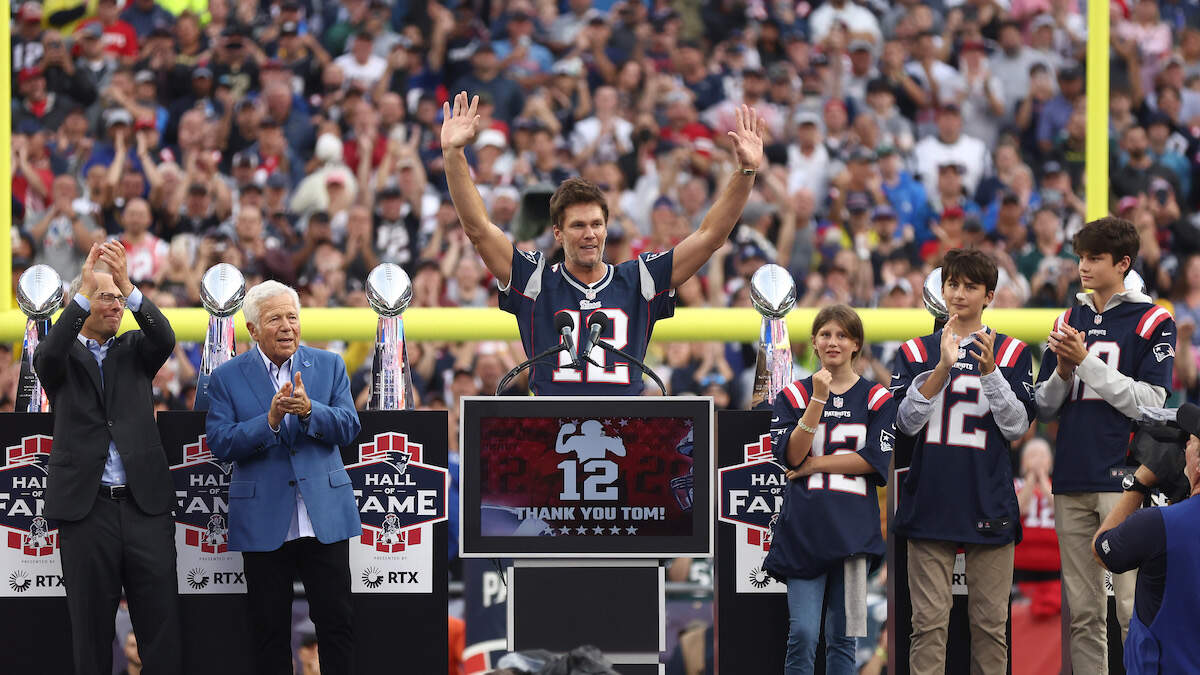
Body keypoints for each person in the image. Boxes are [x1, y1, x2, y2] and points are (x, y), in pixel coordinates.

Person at [439, 91, 764, 395]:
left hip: (625, 434)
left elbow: (710, 237)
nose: (589, 233)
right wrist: (453, 154)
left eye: (596, 224)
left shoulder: (639, 279)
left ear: (607, 229)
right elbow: (478, 229)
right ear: (558, 233)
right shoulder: (535, 280)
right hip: (551, 436)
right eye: (578, 225)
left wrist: (746, 171)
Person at [31, 241, 181, 675]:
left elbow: (165, 337)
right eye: (106, 296)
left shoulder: (136, 349)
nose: (115, 304)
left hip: (144, 507)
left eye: (120, 298)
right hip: (87, 509)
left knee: (161, 627)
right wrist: (84, 287)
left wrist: (128, 286)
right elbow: (49, 352)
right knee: (91, 632)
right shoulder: (59, 357)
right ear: (81, 303)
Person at [1034, 217, 1175, 674]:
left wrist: (1086, 362)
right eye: (1081, 258)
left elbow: (1152, 405)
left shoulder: (1154, 318)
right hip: (1071, 474)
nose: (1084, 267)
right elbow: (1046, 407)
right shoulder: (1066, 317)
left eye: (1094, 258)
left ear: (1123, 263)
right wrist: (1062, 372)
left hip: (1125, 477)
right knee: (1084, 611)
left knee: (1132, 607)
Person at [205, 280, 362, 675]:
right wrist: (270, 420)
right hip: (263, 520)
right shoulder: (225, 377)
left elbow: (348, 427)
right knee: (268, 631)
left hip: (323, 517)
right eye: (275, 318)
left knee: (337, 625)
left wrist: (311, 412)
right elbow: (221, 443)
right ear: (253, 329)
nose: (287, 326)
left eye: (292, 317)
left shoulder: (329, 365)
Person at [890, 248, 1035, 675]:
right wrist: (940, 370)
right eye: (952, 284)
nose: (958, 293)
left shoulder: (1010, 352)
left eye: (970, 286)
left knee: (991, 627)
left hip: (987, 498)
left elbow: (1016, 427)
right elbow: (906, 424)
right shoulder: (916, 350)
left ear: (989, 294)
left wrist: (990, 373)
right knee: (928, 626)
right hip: (931, 496)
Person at [764, 305, 896, 675]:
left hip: (854, 534)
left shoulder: (877, 398)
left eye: (842, 335)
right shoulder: (793, 396)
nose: (833, 342)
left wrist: (817, 465)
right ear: (814, 343)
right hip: (804, 530)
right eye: (825, 334)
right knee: (803, 633)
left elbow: (873, 459)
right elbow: (792, 456)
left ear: (856, 344)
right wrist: (817, 400)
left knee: (844, 637)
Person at [1093, 402, 1200, 674]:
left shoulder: (1157, 524)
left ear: (1197, 462)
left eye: (1190, 442)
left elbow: (1102, 548)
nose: (1184, 447)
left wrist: (1139, 482)